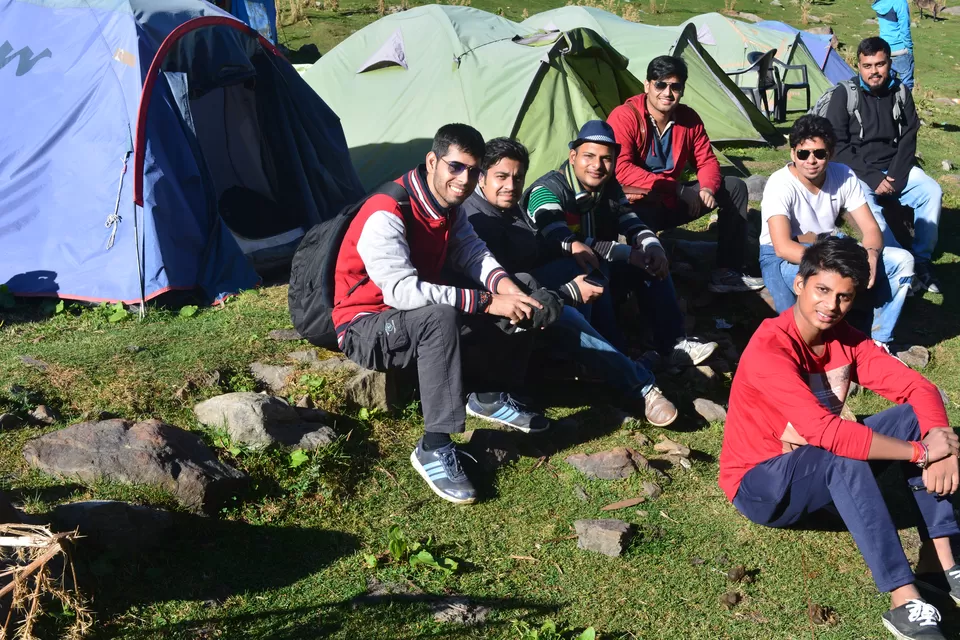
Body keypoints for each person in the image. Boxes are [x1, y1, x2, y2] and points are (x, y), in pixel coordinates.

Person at [720, 235, 959, 640]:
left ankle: (943, 564)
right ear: (800, 284)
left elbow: (920, 390)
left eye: (844, 297)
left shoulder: (846, 339)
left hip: (816, 467)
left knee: (909, 416)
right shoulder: (769, 348)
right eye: (822, 290)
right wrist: (921, 451)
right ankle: (904, 602)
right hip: (759, 484)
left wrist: (942, 444)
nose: (831, 306)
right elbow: (826, 433)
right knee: (842, 450)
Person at [332, 123, 551, 505]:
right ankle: (433, 445)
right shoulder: (387, 210)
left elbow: (472, 252)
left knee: (523, 287)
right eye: (455, 167)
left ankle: (486, 394)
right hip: (364, 324)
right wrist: (486, 301)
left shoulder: (448, 207)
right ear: (432, 160)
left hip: (412, 315)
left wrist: (507, 289)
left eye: (473, 170)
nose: (464, 180)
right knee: (442, 315)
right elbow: (401, 291)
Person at [463, 136, 679, 427]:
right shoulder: (475, 218)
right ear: (482, 176)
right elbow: (506, 284)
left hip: (530, 288)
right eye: (501, 177)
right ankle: (642, 387)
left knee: (586, 264)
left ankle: (607, 355)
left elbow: (542, 249)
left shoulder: (508, 205)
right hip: (498, 311)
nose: (511, 186)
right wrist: (567, 293)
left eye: (517, 178)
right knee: (565, 312)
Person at [520, 120, 718, 367]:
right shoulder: (546, 190)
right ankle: (612, 357)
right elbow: (559, 236)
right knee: (589, 266)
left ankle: (672, 344)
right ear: (573, 156)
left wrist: (652, 246)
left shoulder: (609, 187)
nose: (597, 166)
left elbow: (630, 221)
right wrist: (625, 252)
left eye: (606, 159)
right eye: (589, 156)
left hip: (597, 266)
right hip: (556, 280)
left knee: (650, 261)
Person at [606, 55, 763, 294]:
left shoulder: (688, 119)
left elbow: (707, 160)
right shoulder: (625, 116)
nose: (667, 93)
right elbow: (622, 170)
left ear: (682, 90)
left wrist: (707, 188)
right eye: (660, 84)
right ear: (647, 85)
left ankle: (726, 271)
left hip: (672, 201)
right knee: (641, 219)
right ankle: (641, 285)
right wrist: (678, 189)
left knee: (734, 187)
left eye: (675, 86)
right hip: (636, 203)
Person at [758, 114, 914, 348]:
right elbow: (782, 246)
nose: (811, 160)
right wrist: (834, 266)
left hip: (829, 246)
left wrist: (871, 254)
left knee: (902, 261)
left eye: (819, 153)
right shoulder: (779, 184)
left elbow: (871, 228)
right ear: (792, 154)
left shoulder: (843, 175)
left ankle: (879, 343)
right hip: (786, 257)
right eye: (803, 153)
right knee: (800, 321)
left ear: (829, 154)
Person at [826, 36, 942, 293]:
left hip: (896, 168)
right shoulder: (844, 94)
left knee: (932, 191)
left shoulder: (900, 92)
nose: (874, 71)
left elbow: (909, 138)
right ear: (858, 65)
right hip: (858, 173)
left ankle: (922, 260)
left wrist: (897, 177)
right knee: (872, 215)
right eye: (867, 66)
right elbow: (837, 146)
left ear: (889, 63)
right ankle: (901, 264)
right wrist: (872, 177)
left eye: (879, 64)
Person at [872, 0, 915, 89]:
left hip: (885, 49)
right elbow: (904, 29)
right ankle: (904, 102)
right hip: (900, 49)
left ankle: (887, 102)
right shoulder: (900, 3)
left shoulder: (880, 2)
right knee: (907, 84)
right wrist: (909, 48)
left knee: (886, 84)